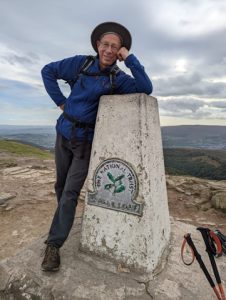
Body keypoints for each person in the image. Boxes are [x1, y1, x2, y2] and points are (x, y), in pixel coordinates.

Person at [41, 21, 153, 272]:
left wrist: (131, 59)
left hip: (85, 143)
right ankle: (63, 221)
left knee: (70, 192)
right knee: (60, 186)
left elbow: (146, 88)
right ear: (97, 45)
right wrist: (60, 102)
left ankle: (54, 244)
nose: (109, 50)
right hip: (63, 134)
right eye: (106, 44)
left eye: (115, 47)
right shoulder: (81, 64)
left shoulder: (118, 78)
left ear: (119, 51)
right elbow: (48, 70)